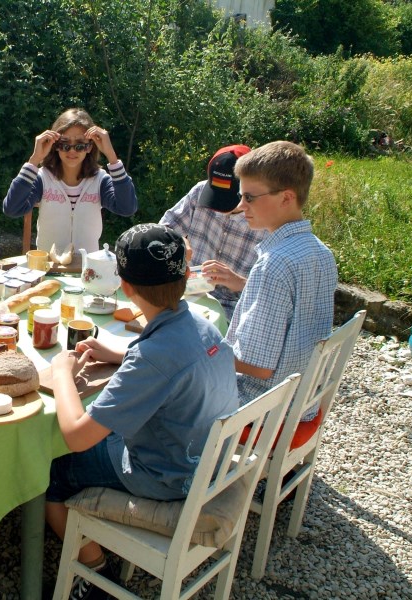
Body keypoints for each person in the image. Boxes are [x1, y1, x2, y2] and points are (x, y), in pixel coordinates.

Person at [45, 223, 238, 599]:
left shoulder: (152, 358)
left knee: (53, 467)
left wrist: (61, 374)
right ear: (186, 274)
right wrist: (122, 354)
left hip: (167, 477)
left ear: (125, 286)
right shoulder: (203, 325)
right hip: (204, 459)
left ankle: (94, 568)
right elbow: (168, 360)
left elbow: (76, 435)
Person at [225, 141, 338, 421]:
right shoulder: (322, 252)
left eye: (249, 197)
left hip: (257, 408)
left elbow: (257, 366)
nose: (240, 207)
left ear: (286, 197)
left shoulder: (274, 264)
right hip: (300, 402)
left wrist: (201, 353)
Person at [2, 108, 138, 256]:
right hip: (49, 267)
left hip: (86, 269)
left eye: (80, 145)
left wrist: (112, 157)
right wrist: (34, 160)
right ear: (55, 146)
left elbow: (127, 208)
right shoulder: (42, 179)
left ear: (89, 147)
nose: (72, 151)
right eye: (64, 144)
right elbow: (12, 209)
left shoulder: (100, 180)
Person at [159, 144, 266, 319]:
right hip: (188, 296)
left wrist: (238, 282)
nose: (219, 209)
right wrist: (179, 242)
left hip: (234, 311)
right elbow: (164, 230)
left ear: (249, 189)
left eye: (229, 200)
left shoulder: (266, 220)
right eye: (215, 196)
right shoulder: (200, 191)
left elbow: (274, 294)